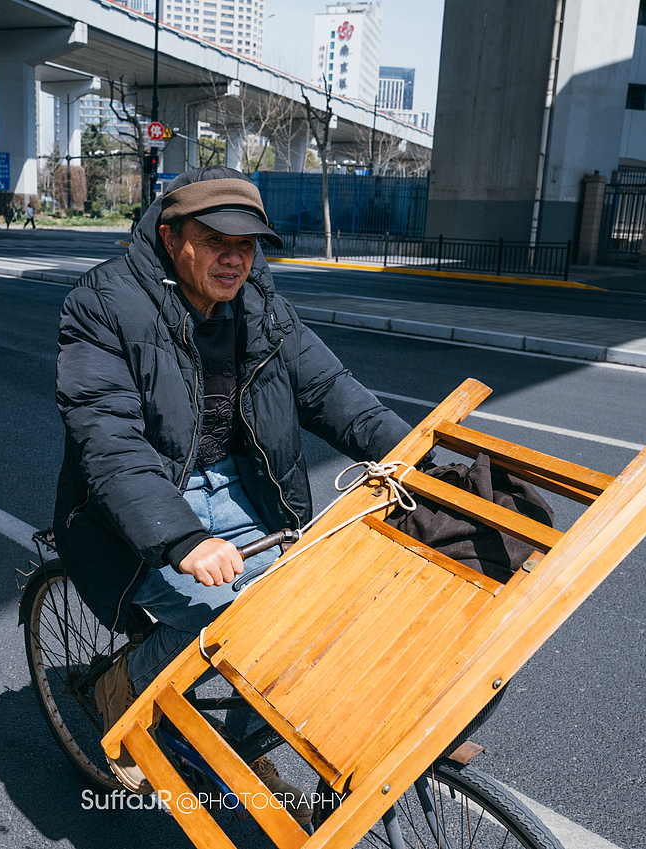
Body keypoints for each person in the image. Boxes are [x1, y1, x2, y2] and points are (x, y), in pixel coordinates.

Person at [53, 166, 411, 820]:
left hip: (249, 491)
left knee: (307, 611)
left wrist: (414, 452)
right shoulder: (103, 304)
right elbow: (107, 441)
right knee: (225, 620)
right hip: (140, 507)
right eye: (216, 238)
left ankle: (244, 746)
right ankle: (121, 688)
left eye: (247, 244)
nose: (234, 256)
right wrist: (181, 537)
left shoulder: (263, 307)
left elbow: (332, 392)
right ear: (170, 236)